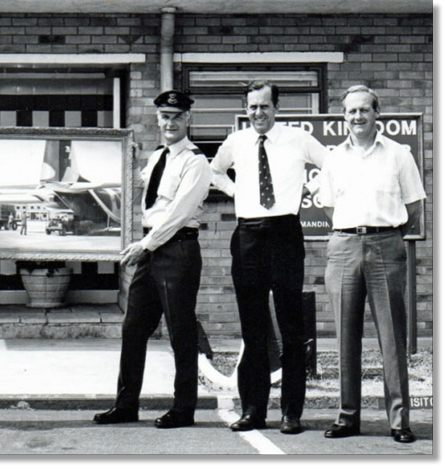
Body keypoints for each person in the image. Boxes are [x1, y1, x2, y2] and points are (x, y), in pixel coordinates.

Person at [210, 80, 329, 434]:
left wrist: (310, 188)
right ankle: (253, 410)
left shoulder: (297, 139)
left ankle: (291, 413)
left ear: (277, 107)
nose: (258, 113)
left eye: (264, 106)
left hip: (285, 233)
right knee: (254, 328)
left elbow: (333, 164)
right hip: (248, 234)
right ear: (245, 109)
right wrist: (236, 191)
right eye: (252, 107)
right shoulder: (236, 141)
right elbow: (215, 171)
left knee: (291, 327)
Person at [93, 90, 211, 429]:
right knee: (133, 328)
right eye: (165, 116)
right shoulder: (158, 157)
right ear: (157, 119)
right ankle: (126, 405)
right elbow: (138, 195)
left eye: (177, 116)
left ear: (187, 119)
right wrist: (127, 160)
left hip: (177, 249)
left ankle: (183, 409)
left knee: (180, 332)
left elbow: (178, 214)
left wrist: (144, 245)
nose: (170, 123)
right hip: (152, 249)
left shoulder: (195, 161)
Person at [319, 85, 425, 444]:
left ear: (377, 113)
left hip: (385, 246)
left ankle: (399, 420)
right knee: (345, 336)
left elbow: (413, 208)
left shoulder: (398, 154)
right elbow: (329, 206)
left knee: (392, 336)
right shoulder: (334, 158)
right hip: (344, 246)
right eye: (351, 111)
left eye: (365, 109)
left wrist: (385, 235)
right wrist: (354, 231)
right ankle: (347, 417)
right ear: (343, 116)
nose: (358, 116)